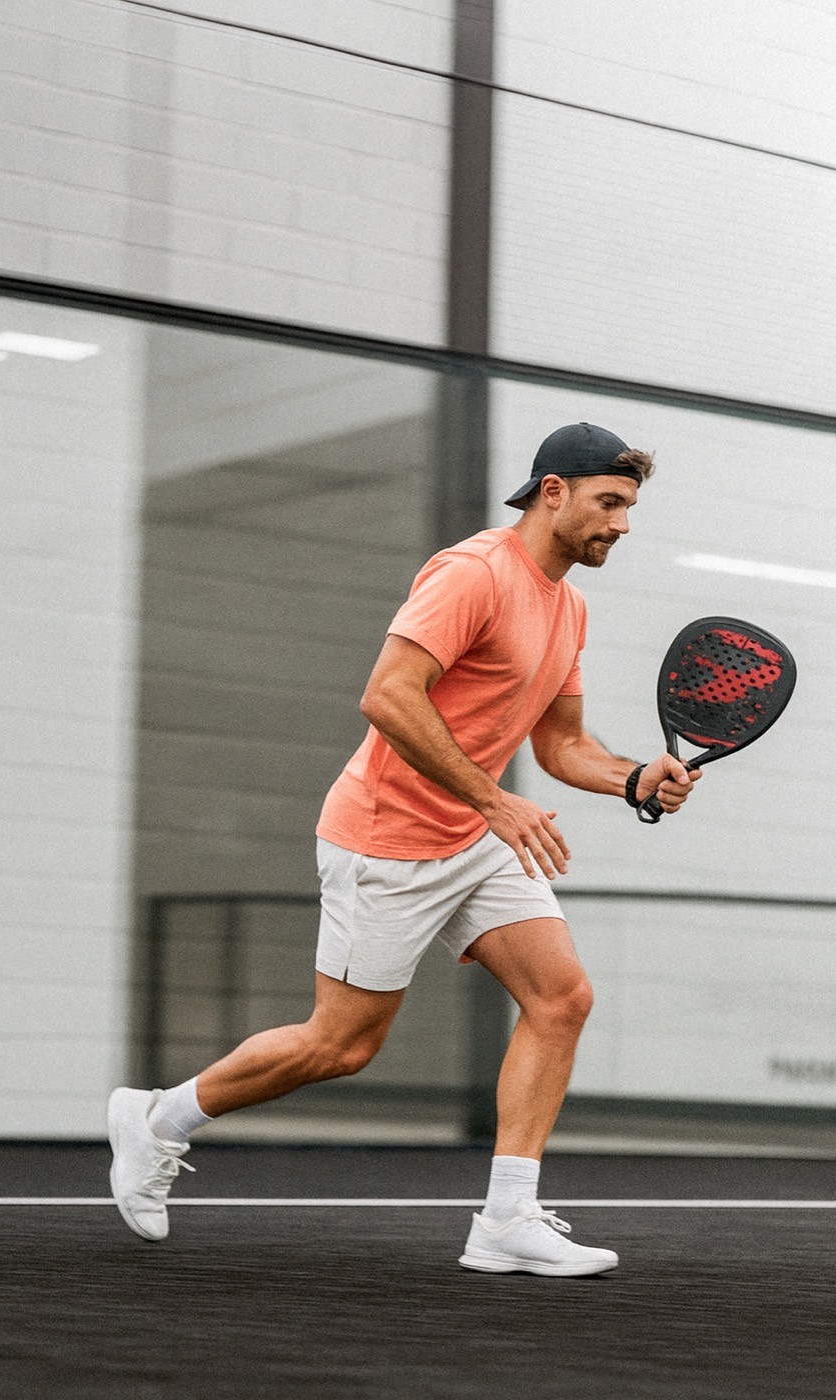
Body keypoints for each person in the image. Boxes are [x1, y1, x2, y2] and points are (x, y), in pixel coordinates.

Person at [108, 421, 700, 1277]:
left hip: (475, 836)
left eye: (628, 507)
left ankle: (505, 1218)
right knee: (341, 1046)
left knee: (561, 998)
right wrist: (492, 800)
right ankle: (157, 1119)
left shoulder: (567, 607)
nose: (621, 523)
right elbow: (387, 696)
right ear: (552, 492)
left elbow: (561, 746)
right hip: (386, 839)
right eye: (608, 502)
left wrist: (633, 778)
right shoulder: (472, 573)